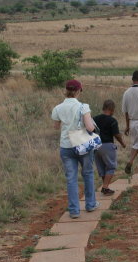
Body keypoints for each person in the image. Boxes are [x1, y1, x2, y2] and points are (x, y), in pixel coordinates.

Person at [51, 80, 99, 219]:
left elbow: (55, 126)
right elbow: (90, 128)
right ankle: (90, 204)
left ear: (66, 90)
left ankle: (74, 210)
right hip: (82, 145)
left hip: (66, 146)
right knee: (88, 174)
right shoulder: (84, 107)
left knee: (71, 178)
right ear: (79, 91)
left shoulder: (58, 108)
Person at [93, 100, 126, 196]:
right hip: (107, 145)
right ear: (111, 109)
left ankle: (105, 186)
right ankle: (105, 187)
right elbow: (116, 135)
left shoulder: (94, 119)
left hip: (95, 145)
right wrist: (123, 143)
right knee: (111, 167)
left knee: (102, 167)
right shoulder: (112, 120)